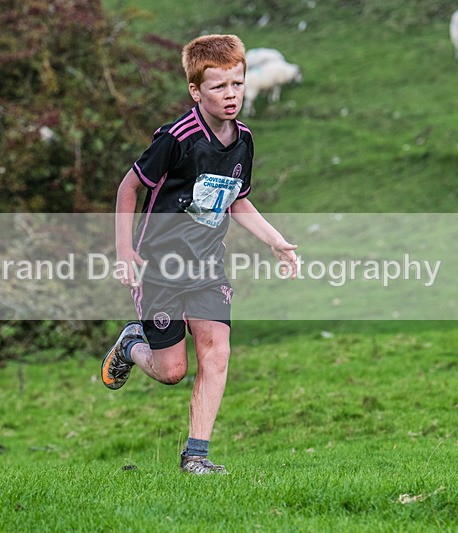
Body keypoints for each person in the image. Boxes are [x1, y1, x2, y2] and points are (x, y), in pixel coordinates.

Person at [101, 34, 298, 475]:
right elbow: (128, 187)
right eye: (218, 87)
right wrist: (124, 250)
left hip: (209, 267)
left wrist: (274, 239)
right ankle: (132, 343)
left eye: (237, 84)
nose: (231, 95)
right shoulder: (178, 137)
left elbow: (237, 200)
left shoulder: (244, 140)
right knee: (172, 371)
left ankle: (197, 457)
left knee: (217, 353)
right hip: (160, 268)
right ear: (196, 90)